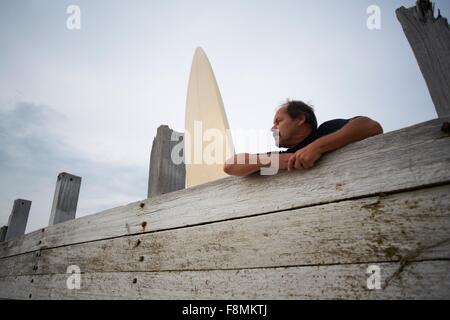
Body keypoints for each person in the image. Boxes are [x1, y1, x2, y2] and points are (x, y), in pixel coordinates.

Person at [223, 100, 383, 177]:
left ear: (300, 119)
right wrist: (279, 160)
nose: (273, 128)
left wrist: (316, 148)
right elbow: (231, 166)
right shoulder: (280, 156)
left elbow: (371, 127)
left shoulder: (326, 130)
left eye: (278, 121)